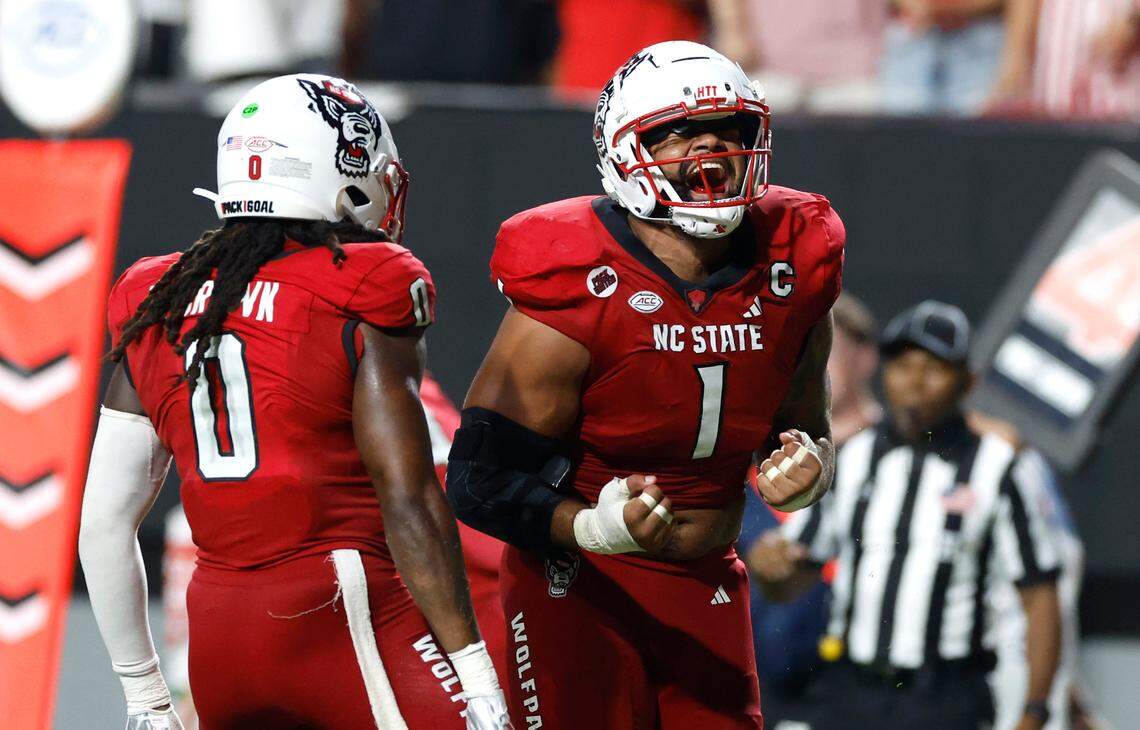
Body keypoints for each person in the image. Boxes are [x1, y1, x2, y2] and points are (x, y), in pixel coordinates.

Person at [77, 73, 510, 729]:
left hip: (219, 633)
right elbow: (408, 495)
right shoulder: (363, 280)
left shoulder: (154, 296)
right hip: (343, 608)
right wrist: (477, 676)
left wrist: (143, 695)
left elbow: (103, 526)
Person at [447, 41, 845, 728]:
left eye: (730, 129)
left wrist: (807, 470)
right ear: (625, 153)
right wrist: (594, 527)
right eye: (681, 131)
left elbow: (803, 426)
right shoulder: (579, 277)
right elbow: (477, 480)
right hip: (578, 585)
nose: (712, 148)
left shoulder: (794, 261)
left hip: (708, 578)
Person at [752, 300, 1063, 730]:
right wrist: (770, 567)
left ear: (967, 382)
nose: (914, 382)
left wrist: (1035, 708)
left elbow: (1039, 594)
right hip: (852, 690)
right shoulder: (854, 457)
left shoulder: (999, 467)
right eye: (902, 365)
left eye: (933, 368)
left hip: (947, 696)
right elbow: (797, 569)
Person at [159, 374, 511, 728]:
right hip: (415, 600)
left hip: (455, 601)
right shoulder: (347, 369)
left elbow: (430, 510)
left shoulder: (355, 379)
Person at [739, 292, 881, 727]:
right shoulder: (742, 463)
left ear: (864, 357)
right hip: (760, 696)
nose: (805, 366)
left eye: (822, 347)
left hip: (862, 695)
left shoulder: (905, 461)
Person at [879, 0, 1011, 116]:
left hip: (982, 37)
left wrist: (1014, 58)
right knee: (901, 131)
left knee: (975, 135)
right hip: (912, 35)